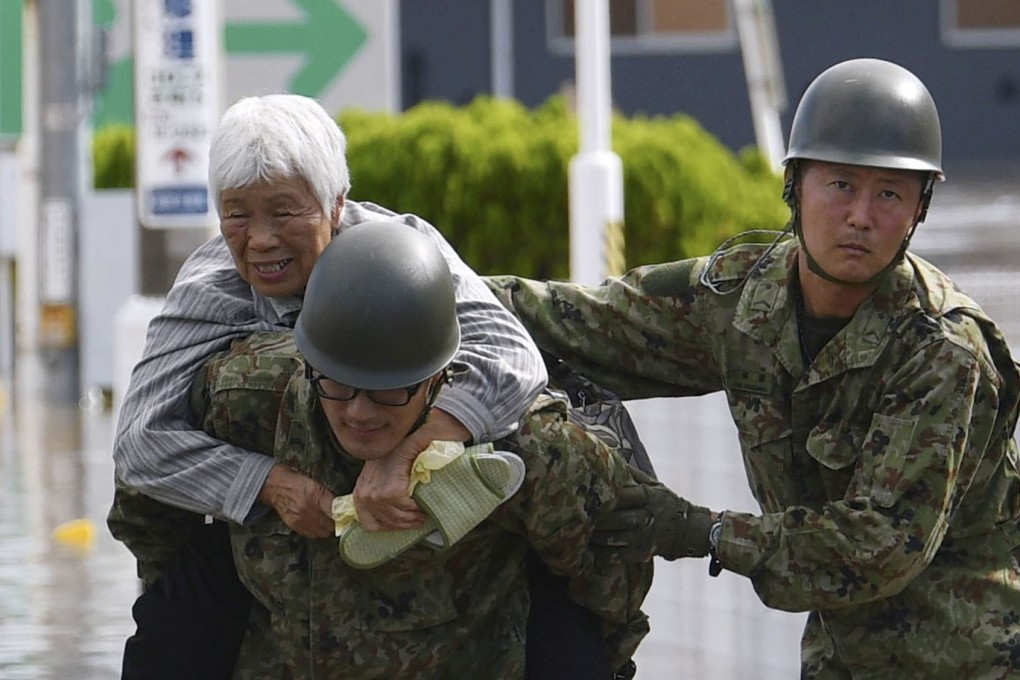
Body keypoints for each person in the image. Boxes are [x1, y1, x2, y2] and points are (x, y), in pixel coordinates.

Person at [486, 58, 1020, 678]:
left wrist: (700, 531)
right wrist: (415, 281)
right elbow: (578, 321)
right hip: (842, 656)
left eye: (890, 194)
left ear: (918, 211)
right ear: (795, 185)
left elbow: (879, 546)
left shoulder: (944, 351)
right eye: (841, 185)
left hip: (971, 657)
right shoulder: (744, 299)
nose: (860, 217)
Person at [108, 94, 547, 678]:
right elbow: (140, 441)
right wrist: (269, 484)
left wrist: (412, 450)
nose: (260, 239)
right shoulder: (212, 287)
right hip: (267, 547)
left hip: (427, 551)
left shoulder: (401, 252)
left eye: (284, 211)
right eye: (237, 214)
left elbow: (514, 356)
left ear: (335, 205)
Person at [191, 221, 650, 678]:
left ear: (438, 378)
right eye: (339, 385)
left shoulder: (523, 449)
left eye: (389, 391)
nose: (360, 413)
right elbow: (154, 506)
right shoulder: (243, 403)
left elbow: (615, 542)